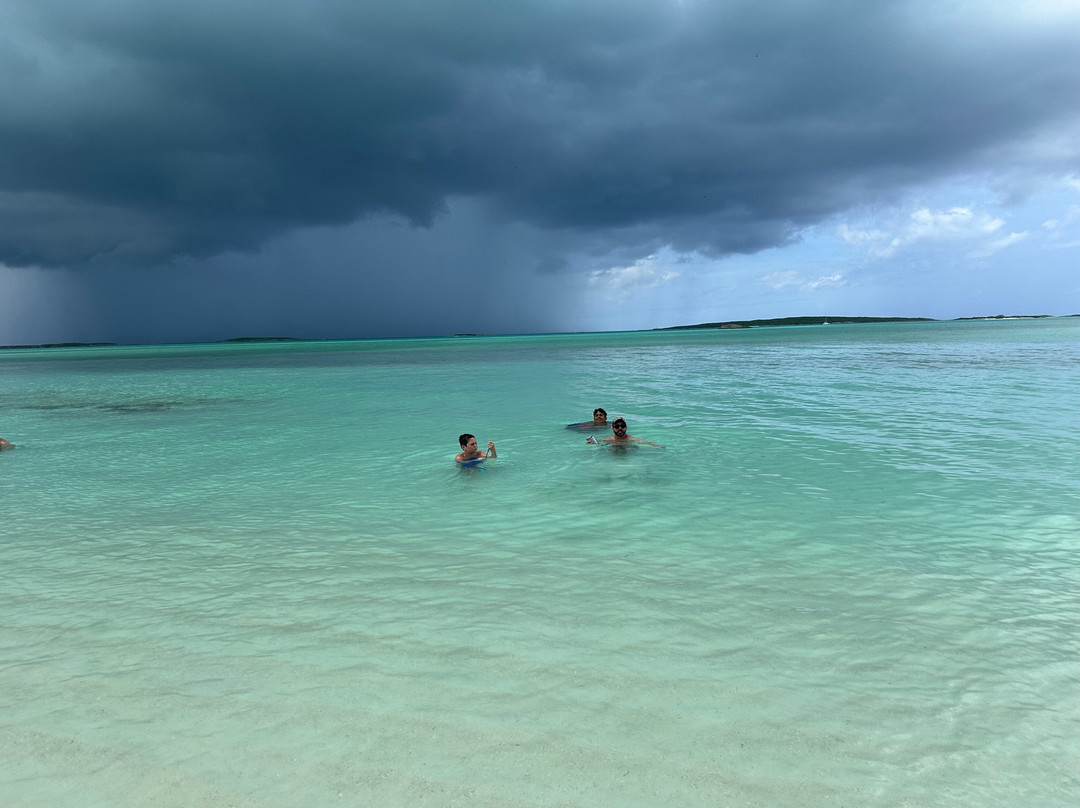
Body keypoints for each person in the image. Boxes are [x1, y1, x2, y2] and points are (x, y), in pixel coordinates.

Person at [586, 417, 664, 448]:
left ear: (626, 428)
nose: (620, 428)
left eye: (622, 426)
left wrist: (658, 446)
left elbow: (646, 443)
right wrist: (592, 442)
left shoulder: (631, 439)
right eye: (617, 426)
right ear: (613, 429)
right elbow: (598, 442)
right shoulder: (609, 439)